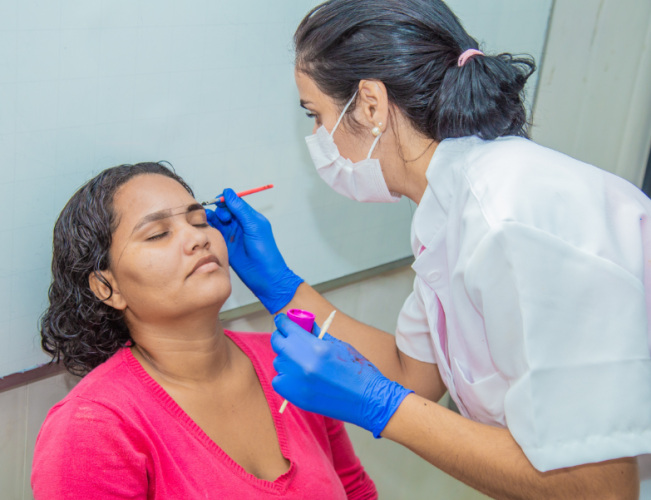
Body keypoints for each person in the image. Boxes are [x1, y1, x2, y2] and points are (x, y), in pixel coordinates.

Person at [205, 0, 651, 498]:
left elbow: (600, 489)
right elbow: (411, 372)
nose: (318, 138)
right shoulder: (447, 208)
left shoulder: (510, 218)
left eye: (317, 116)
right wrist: (283, 288)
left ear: (370, 104)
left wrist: (383, 408)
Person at [32, 162, 377, 500]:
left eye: (199, 220)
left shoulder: (292, 358)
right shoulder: (92, 427)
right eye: (157, 234)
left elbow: (355, 490)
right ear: (107, 287)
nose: (197, 237)